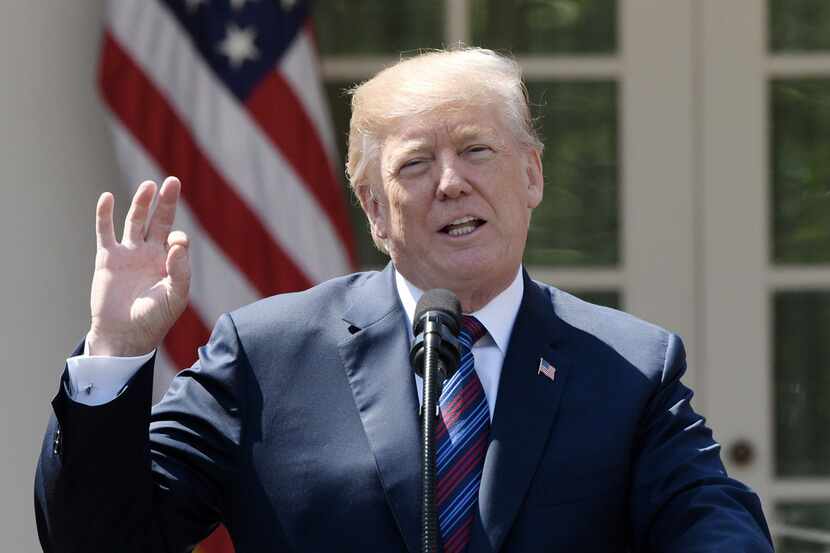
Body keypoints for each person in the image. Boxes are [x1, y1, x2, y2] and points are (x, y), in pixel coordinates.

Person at [35, 48, 773, 552]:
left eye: (477, 150)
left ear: (532, 177)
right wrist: (114, 354)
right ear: (375, 209)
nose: (451, 182)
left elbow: (711, 524)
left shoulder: (631, 367)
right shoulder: (266, 354)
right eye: (416, 163)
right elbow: (99, 538)